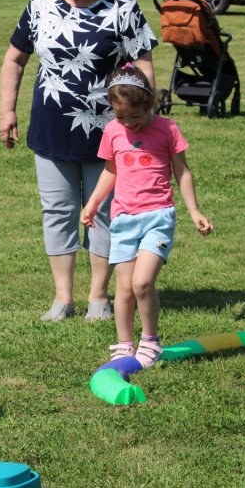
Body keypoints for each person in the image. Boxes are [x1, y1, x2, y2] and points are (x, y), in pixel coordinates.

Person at [0, 0, 158, 323]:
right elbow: (14, 59)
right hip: (52, 127)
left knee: (104, 212)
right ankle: (62, 298)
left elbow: (143, 63)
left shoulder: (123, 6)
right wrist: (7, 110)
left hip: (112, 131)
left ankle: (99, 297)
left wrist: (145, 114)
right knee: (57, 210)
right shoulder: (41, 3)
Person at [79, 66, 213, 367]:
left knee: (142, 283)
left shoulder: (167, 129)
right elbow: (110, 170)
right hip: (124, 219)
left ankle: (150, 341)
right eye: (121, 116)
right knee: (124, 288)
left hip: (158, 217)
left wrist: (194, 211)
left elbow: (182, 170)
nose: (129, 123)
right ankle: (125, 344)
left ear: (150, 103)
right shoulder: (114, 131)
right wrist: (93, 203)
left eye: (135, 116)